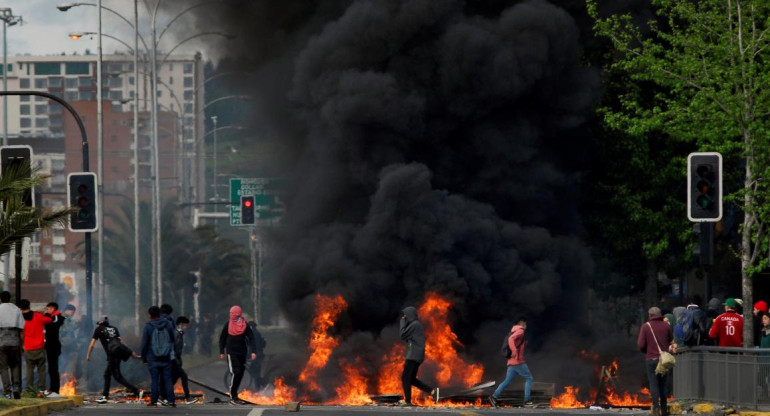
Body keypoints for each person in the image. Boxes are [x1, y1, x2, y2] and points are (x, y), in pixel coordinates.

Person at [86, 317, 142, 403]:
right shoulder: (114, 328)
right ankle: (105, 395)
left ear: (101, 322)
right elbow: (122, 342)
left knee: (117, 377)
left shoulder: (98, 329)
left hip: (112, 354)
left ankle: (136, 391)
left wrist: (88, 355)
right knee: (107, 374)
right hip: (118, 353)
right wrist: (130, 352)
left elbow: (92, 344)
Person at [488, 314, 534, 408]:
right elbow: (511, 339)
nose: (525, 324)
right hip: (518, 362)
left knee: (507, 382)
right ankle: (527, 401)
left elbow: (515, 341)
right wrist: (514, 350)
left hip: (511, 362)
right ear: (521, 322)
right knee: (529, 378)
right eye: (525, 323)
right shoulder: (520, 331)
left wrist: (523, 344)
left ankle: (493, 397)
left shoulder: (513, 330)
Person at [638, 306, 676, 416]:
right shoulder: (666, 326)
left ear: (650, 316)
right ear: (660, 315)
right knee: (663, 385)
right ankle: (664, 410)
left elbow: (640, 345)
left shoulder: (646, 326)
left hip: (651, 360)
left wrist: (648, 351)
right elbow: (671, 341)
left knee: (654, 385)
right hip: (664, 360)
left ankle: (655, 409)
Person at [398, 306, 438, 407]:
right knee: (411, 379)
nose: (404, 317)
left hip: (413, 356)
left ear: (410, 315)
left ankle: (407, 401)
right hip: (416, 355)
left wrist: (402, 322)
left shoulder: (415, 325)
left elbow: (402, 334)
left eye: (405, 315)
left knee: (405, 377)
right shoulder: (416, 325)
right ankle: (432, 391)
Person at [219, 305, 258, 405]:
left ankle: (235, 396)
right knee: (236, 372)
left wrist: (254, 351)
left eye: (235, 314)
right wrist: (221, 351)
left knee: (240, 373)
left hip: (242, 353)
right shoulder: (228, 324)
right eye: (232, 313)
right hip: (232, 353)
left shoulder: (244, 325)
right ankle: (232, 396)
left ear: (239, 314)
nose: (233, 315)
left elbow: (251, 337)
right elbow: (222, 338)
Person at [141, 306, 176, 408]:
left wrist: (144, 357)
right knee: (168, 380)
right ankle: (171, 401)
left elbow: (144, 344)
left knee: (155, 380)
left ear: (150, 315)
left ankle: (154, 401)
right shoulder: (168, 324)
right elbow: (173, 338)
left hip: (152, 357)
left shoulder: (148, 326)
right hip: (166, 357)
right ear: (159, 313)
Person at [20, 299, 52, 393]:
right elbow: (49, 320)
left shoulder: (21, 319)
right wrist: (46, 313)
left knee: (29, 370)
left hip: (28, 347)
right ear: (29, 306)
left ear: (20, 308)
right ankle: (41, 388)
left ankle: (29, 389)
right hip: (40, 347)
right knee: (41, 369)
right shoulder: (37, 316)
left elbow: (20, 333)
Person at [0, 291, 24, 399]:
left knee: (3, 367)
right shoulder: (16, 309)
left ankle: (7, 391)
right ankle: (16, 387)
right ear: (10, 299)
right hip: (14, 339)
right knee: (15, 365)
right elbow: (22, 327)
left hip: (2, 340)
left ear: (0, 299)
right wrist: (22, 344)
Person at [173, 316, 199, 404]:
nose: (186, 327)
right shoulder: (176, 334)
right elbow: (173, 348)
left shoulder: (179, 334)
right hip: (174, 361)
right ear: (181, 324)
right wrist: (176, 361)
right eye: (185, 325)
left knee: (173, 379)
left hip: (176, 361)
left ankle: (162, 394)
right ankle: (187, 397)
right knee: (184, 377)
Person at [43, 302, 65, 397]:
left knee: (53, 368)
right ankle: (52, 388)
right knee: (51, 368)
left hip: (54, 345)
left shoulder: (57, 317)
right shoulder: (52, 317)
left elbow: (52, 326)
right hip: (49, 345)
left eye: (47, 309)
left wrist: (47, 316)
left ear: (53, 308)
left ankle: (55, 390)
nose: (46, 311)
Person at [59, 304, 82, 380]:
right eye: (71, 312)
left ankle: (65, 380)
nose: (72, 314)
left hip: (67, 344)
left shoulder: (68, 319)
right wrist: (77, 324)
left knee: (66, 363)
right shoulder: (62, 318)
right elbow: (66, 329)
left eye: (73, 312)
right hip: (63, 344)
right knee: (62, 363)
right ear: (67, 310)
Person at [247, 320, 267, 390]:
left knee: (255, 372)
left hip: (257, 355)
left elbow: (254, 347)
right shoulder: (255, 333)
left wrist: (247, 356)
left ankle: (261, 385)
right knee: (254, 371)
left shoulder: (254, 334)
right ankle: (259, 385)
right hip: (258, 355)